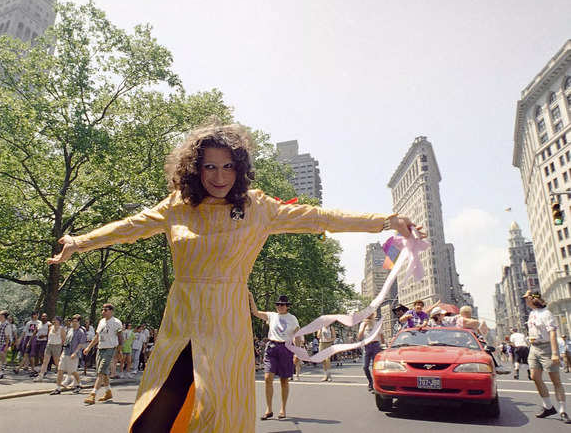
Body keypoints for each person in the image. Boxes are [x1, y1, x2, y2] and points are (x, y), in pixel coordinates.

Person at [48, 123, 418, 432]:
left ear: (240, 168)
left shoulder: (259, 208)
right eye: (209, 167)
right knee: (156, 410)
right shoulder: (178, 205)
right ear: (195, 169)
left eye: (227, 167)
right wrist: (78, 242)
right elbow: (128, 228)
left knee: (216, 409)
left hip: (226, 322)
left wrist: (384, 222)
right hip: (180, 320)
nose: (220, 176)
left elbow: (321, 218)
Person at [250, 293, 300, 421]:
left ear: (287, 306)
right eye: (278, 304)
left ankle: (283, 409)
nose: (280, 306)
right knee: (267, 378)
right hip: (272, 347)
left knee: (284, 380)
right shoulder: (271, 316)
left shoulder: (292, 318)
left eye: (282, 305)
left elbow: (297, 336)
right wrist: (251, 297)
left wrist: (297, 352)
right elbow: (255, 312)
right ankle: (269, 409)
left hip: (286, 348)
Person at [523, 290, 570, 423]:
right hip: (534, 348)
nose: (525, 300)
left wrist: (555, 353)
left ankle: (563, 411)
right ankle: (548, 407)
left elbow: (552, 334)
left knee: (555, 380)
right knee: (534, 376)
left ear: (533, 299)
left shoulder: (546, 313)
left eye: (527, 298)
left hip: (547, 348)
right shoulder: (532, 313)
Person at [83, 303, 123, 405]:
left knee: (100, 372)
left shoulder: (116, 322)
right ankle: (108, 392)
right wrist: (89, 347)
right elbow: (97, 336)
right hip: (100, 348)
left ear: (111, 311)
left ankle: (92, 395)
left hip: (110, 349)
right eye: (102, 310)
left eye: (105, 310)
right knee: (103, 372)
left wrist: (119, 351)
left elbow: (120, 338)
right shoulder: (101, 322)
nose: (103, 312)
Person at [51, 314, 87, 395]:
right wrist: (62, 352)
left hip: (73, 354)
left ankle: (79, 384)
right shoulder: (69, 330)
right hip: (65, 352)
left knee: (73, 371)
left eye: (75, 321)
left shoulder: (80, 332)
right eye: (72, 321)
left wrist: (75, 353)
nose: (74, 323)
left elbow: (81, 344)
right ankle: (58, 388)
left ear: (79, 322)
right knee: (60, 369)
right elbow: (66, 342)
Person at [357, 312, 384, 393]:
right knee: (365, 367)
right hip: (366, 345)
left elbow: (382, 336)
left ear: (373, 315)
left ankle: (375, 385)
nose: (368, 316)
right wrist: (364, 327)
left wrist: (383, 346)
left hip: (376, 345)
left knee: (375, 367)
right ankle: (370, 381)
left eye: (370, 314)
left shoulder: (376, 323)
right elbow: (359, 337)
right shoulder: (362, 324)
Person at [35, 316, 66, 382]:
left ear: (59, 321)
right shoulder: (50, 327)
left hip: (57, 345)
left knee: (56, 362)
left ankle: (61, 376)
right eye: (54, 320)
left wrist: (61, 347)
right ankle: (40, 376)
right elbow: (49, 336)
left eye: (56, 320)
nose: (54, 321)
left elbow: (64, 339)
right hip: (49, 345)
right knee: (45, 361)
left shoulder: (61, 329)